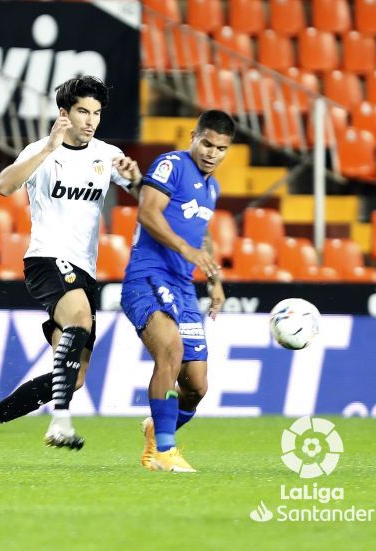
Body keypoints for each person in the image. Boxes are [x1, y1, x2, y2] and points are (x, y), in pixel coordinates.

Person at [0, 76, 142, 468]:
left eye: (96, 112)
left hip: (84, 269)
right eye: (83, 111)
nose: (91, 120)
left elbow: (144, 195)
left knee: (74, 378)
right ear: (65, 113)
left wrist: (136, 177)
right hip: (46, 259)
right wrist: (47, 147)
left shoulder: (106, 153)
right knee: (79, 317)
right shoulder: (43, 151)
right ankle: (60, 422)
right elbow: (5, 186)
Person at [121, 110, 235, 473]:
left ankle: (158, 431)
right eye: (206, 143)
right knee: (170, 347)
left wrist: (214, 279)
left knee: (197, 387)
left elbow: (201, 233)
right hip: (148, 277)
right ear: (193, 137)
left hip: (184, 287)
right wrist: (186, 252)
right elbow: (148, 213)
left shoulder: (212, 187)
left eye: (220, 148)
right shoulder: (172, 164)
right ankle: (165, 452)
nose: (212, 153)